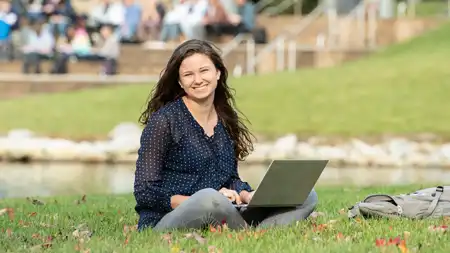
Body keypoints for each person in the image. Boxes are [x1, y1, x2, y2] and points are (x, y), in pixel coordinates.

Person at [134, 39, 318, 232]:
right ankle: (250, 234)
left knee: (306, 194)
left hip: (223, 209)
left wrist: (246, 195)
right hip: (167, 218)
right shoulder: (164, 121)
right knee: (208, 199)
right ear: (180, 82)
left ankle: (259, 233)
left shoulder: (225, 118)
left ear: (217, 73)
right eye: (188, 75)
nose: (198, 80)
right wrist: (199, 202)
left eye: (204, 71)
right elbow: (145, 191)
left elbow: (229, 178)